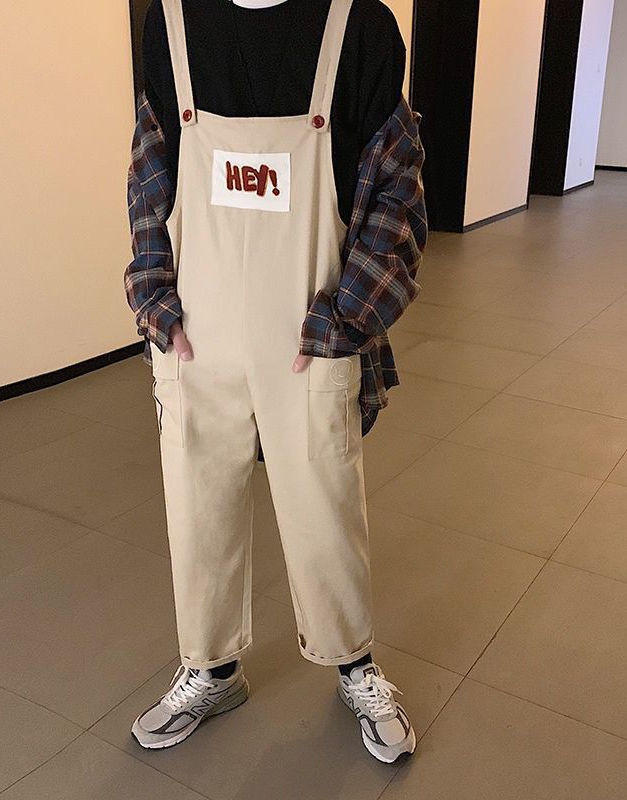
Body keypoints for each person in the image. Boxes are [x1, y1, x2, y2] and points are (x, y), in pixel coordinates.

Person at [124, 0, 426, 764]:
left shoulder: (359, 26)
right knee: (197, 509)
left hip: (310, 335)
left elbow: (396, 191)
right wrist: (154, 298)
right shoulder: (169, 23)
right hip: (198, 335)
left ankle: (354, 662)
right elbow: (150, 175)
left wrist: (347, 318)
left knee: (327, 507)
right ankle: (210, 666)